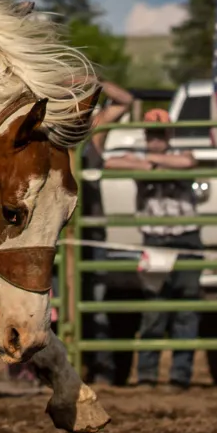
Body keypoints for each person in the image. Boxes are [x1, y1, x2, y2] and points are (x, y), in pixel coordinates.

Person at [104, 109, 201, 389]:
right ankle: (147, 374)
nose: (156, 140)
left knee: (187, 308)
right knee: (154, 309)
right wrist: (152, 163)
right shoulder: (137, 153)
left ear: (169, 134)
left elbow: (188, 162)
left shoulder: (174, 152)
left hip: (186, 237)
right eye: (152, 135)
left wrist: (148, 162)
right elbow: (110, 163)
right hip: (156, 240)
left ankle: (180, 376)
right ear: (146, 135)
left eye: (160, 135)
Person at [81, 82, 137, 385]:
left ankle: (102, 369)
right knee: (55, 305)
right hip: (58, 233)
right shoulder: (48, 129)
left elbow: (125, 100)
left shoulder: (92, 130)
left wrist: (96, 82)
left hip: (91, 230)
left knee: (96, 302)